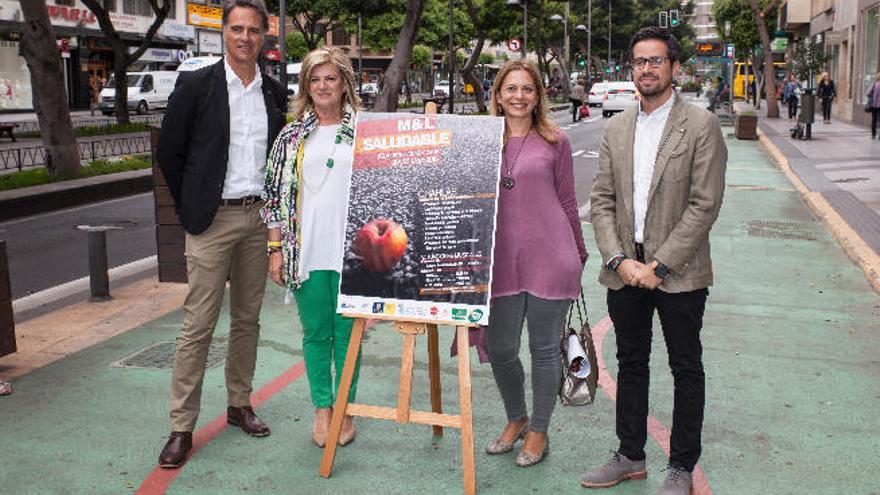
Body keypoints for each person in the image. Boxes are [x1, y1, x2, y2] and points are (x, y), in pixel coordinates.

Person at [584, 27, 727, 495]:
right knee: (631, 362)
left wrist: (659, 266)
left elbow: (704, 205)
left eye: (656, 61)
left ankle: (682, 466)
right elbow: (602, 201)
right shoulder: (617, 127)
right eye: (640, 61)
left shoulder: (700, 125)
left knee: (686, 366)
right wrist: (619, 258)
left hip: (679, 273)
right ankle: (630, 455)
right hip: (625, 268)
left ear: (674, 68)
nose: (647, 69)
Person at [154, 0, 288, 469]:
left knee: (248, 320)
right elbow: (169, 153)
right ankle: (181, 426)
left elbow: (279, 161)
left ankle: (239, 404)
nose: (245, 38)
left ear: (264, 36)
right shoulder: (196, 85)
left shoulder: (273, 92)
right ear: (223, 34)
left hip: (257, 221)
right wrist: (192, 208)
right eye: (237, 29)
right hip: (211, 222)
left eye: (254, 30)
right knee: (198, 325)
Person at [484, 59, 588, 468]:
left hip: (551, 255)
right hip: (499, 260)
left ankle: (539, 429)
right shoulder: (481, 141)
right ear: (497, 94)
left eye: (527, 88)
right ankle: (517, 418)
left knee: (544, 350)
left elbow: (566, 199)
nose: (519, 96)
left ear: (538, 96)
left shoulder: (555, 140)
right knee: (500, 347)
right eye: (511, 88)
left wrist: (578, 253)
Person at [262, 46, 361, 448]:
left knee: (348, 334)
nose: (322, 86)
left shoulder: (364, 131)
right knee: (317, 333)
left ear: (343, 85)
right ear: (306, 86)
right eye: (314, 79)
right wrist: (275, 248)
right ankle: (323, 408)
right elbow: (271, 197)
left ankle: (346, 409)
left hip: (355, 253)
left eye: (330, 78)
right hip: (306, 252)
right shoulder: (291, 135)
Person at [866, 72, 880, 140]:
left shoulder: (874, 85)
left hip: (874, 106)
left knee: (874, 120)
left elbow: (868, 93)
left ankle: (873, 135)